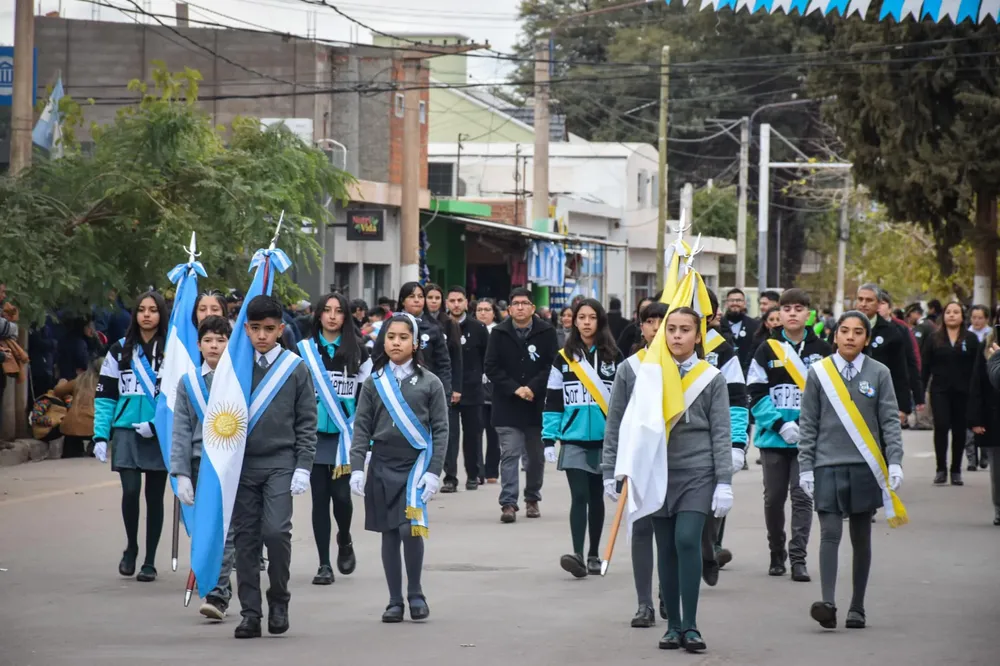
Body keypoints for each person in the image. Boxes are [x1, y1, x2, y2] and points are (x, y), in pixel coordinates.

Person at [616, 307, 733, 653]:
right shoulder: (646, 374)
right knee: (664, 546)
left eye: (685, 330)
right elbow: (623, 425)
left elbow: (721, 433)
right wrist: (616, 469)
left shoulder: (711, 378)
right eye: (672, 329)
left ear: (698, 336)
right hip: (656, 471)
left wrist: (723, 480)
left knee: (686, 540)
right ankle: (674, 626)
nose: (677, 336)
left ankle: (692, 625)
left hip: (697, 473)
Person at [797, 311, 906, 630]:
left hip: (864, 466)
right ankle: (828, 602)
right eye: (844, 331)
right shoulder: (819, 373)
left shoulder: (879, 372)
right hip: (826, 464)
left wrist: (895, 460)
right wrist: (805, 466)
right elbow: (809, 422)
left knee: (861, 536)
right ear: (834, 335)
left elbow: (888, 420)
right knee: (830, 533)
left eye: (858, 332)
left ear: (867, 339)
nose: (850, 337)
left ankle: (857, 606)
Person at [348, 313, 449, 623]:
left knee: (409, 529)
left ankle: (416, 593)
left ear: (415, 343)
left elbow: (442, 429)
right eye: (391, 337)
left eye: (403, 337)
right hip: (381, 464)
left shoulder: (430, 382)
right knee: (389, 533)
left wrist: (434, 471)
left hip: (415, 464)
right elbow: (362, 426)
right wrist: (356, 467)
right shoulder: (374, 383)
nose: (396, 342)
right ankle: (394, 601)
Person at [230, 295, 317, 639]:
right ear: (246, 330)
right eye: (255, 329)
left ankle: (279, 598)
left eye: (269, 329)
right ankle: (250, 612)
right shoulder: (234, 367)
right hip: (242, 466)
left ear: (281, 329)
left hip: (281, 463)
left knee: (277, 533)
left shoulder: (295, 368)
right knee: (246, 541)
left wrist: (304, 465)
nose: (262, 335)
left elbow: (307, 421)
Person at [747, 288, 832, 581]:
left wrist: (809, 427)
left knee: (802, 495)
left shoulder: (822, 350)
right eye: (787, 309)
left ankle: (798, 557)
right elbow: (755, 391)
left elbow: (830, 395)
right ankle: (776, 552)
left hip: (807, 439)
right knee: (773, 498)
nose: (793, 313)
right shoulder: (766, 349)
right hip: (773, 438)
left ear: (809, 314)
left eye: (799, 308)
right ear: (778, 314)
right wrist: (779, 423)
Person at [544, 298, 623, 577]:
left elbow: (625, 401)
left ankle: (593, 554)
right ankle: (577, 553)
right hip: (573, 438)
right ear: (573, 321)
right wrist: (548, 438)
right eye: (581, 317)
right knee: (579, 496)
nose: (586, 322)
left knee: (596, 497)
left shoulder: (615, 356)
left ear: (600, 321)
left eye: (592, 317)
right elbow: (553, 400)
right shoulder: (563, 357)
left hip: (605, 441)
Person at [93, 290, 168, 582]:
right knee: (131, 491)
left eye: (153, 310)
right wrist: (100, 435)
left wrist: (159, 423)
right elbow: (106, 395)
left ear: (162, 315)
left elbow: (176, 395)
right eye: (141, 310)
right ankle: (131, 548)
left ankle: (150, 560)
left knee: (155, 497)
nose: (146, 315)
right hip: (125, 429)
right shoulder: (119, 350)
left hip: (157, 431)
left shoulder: (172, 351)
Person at [297, 293, 372, 586]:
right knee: (319, 500)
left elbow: (367, 400)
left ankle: (345, 538)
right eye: (326, 310)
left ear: (346, 317)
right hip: (312, 436)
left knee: (341, 497)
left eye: (338, 311)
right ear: (317, 315)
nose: (331, 316)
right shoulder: (304, 351)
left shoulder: (361, 353)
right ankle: (324, 564)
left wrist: (367, 442)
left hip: (345, 436)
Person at [170, 316, 239, 620]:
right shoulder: (189, 383)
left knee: (228, 530)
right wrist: (181, 473)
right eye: (209, 340)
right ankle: (215, 584)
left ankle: (218, 593)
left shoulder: (238, 380)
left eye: (221, 340)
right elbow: (181, 430)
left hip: (231, 465)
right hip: (200, 463)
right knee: (205, 531)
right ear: (198, 345)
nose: (214, 346)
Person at [603, 301, 667, 626]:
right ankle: (644, 604)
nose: (655, 328)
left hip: (674, 463)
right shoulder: (629, 367)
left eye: (662, 321)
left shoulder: (687, 369)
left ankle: (668, 594)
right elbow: (615, 421)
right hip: (639, 462)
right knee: (641, 529)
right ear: (640, 327)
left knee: (671, 534)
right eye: (649, 321)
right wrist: (609, 468)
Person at [484, 287, 559, 523]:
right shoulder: (499, 332)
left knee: (535, 458)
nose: (520, 307)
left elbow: (551, 365)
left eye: (525, 303)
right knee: (509, 454)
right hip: (507, 405)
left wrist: (532, 388)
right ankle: (508, 503)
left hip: (536, 406)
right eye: (515, 303)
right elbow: (491, 366)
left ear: (533, 308)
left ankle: (532, 498)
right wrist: (515, 388)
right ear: (509, 309)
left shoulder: (546, 332)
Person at [700, 289, 749, 585]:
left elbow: (738, 400)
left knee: (712, 507)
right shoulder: (661, 348)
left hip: (715, 441)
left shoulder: (723, 350)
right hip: (674, 445)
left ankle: (710, 550)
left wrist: (737, 444)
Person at [922, 301, 979, 486]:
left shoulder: (970, 339)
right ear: (943, 315)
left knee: (959, 430)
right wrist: (919, 393)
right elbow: (925, 367)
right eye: (948, 312)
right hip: (940, 390)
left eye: (956, 312)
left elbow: (976, 368)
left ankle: (956, 470)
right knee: (941, 426)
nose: (952, 315)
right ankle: (941, 469)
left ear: (962, 316)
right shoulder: (934, 338)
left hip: (963, 392)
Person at [443, 286, 490, 491]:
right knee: (449, 435)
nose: (455, 304)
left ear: (465, 303)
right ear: (447, 303)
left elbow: (488, 358)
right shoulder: (440, 326)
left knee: (473, 435)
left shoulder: (478, 328)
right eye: (452, 300)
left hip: (473, 389)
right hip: (447, 389)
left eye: (459, 300)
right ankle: (450, 478)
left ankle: (473, 474)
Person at [855, 284, 921, 427]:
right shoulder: (842, 328)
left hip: (880, 399)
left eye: (869, 300)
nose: (863, 304)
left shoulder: (892, 333)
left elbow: (900, 371)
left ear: (878, 303)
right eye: (860, 299)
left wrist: (903, 407)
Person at [374, 283, 452, 397]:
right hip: (392, 389)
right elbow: (377, 355)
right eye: (411, 296)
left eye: (420, 296)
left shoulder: (434, 327)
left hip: (425, 391)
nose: (417, 300)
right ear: (402, 301)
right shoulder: (389, 324)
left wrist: (444, 395)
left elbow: (443, 364)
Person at [877, 290, 923, 425]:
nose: (879, 306)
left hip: (894, 390)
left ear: (890, 308)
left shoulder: (900, 330)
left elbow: (911, 361)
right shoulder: (862, 328)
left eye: (882, 303)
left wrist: (916, 396)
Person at [969, 330, 1000, 524]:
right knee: (997, 466)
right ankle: (999, 507)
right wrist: (976, 419)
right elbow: (978, 382)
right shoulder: (989, 345)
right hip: (994, 414)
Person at [476, 298, 502, 483]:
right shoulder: (471, 331)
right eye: (479, 310)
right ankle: (477, 471)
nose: (483, 313)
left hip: (496, 390)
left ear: (494, 312)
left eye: (487, 309)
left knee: (494, 435)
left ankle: (492, 471)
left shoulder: (500, 332)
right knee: (475, 434)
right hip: (476, 389)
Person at [723, 288, 760, 374]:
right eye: (732, 300)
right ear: (726, 303)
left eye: (738, 300)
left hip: (748, 373)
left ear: (744, 303)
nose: (735, 303)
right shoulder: (719, 326)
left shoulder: (755, 325)